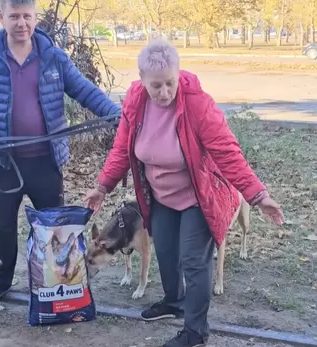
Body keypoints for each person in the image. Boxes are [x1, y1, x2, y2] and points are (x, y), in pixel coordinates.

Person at [83, 38, 284, 347]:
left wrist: (257, 195)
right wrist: (102, 187)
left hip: (199, 196)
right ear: (142, 81)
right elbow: (122, 150)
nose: (164, 92)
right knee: (165, 252)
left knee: (194, 260)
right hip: (160, 195)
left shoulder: (196, 103)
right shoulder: (136, 102)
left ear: (179, 75)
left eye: (170, 83)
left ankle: (195, 332)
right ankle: (174, 302)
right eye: (156, 86)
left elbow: (227, 152)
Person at [0, 0, 120, 309]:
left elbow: (85, 91)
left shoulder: (53, 57)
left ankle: (55, 284)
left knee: (52, 231)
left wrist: (119, 116)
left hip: (46, 163)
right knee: (3, 230)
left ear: (35, 17)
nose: (21, 23)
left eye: (27, 16)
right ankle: (0, 283)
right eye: (14, 16)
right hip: (1, 164)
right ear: (1, 17)